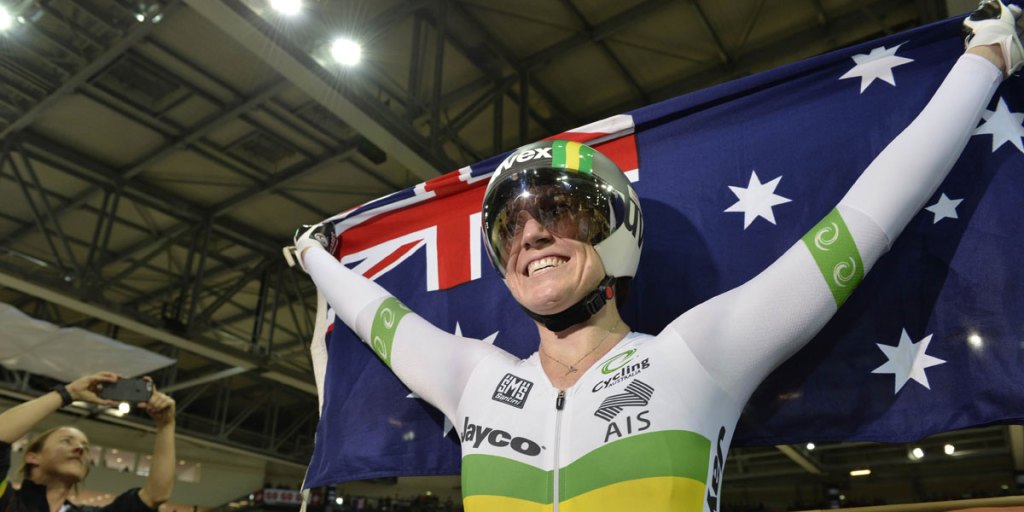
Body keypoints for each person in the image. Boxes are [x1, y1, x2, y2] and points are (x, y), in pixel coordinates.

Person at [288, 2, 1022, 510]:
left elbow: (867, 218)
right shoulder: (475, 379)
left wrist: (985, 62)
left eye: (559, 214)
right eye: (511, 227)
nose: (532, 236)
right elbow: (376, 315)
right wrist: (316, 256)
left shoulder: (698, 354)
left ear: (616, 236)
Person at [0, 372, 177, 512]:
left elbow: (155, 495)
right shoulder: (7, 500)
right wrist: (69, 393)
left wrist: (165, 426)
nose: (79, 449)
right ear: (33, 457)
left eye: (85, 447)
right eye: (66, 441)